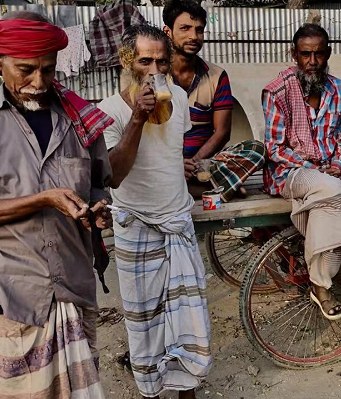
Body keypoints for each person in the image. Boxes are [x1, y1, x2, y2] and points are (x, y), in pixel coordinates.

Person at [0, 11, 113, 399]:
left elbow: (97, 186)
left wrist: (97, 212)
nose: (39, 82)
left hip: (73, 285)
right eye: (26, 70)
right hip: (12, 293)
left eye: (48, 70)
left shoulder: (79, 119)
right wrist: (42, 200)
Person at [98, 24, 212, 399]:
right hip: (136, 227)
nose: (154, 70)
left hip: (177, 223)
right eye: (145, 61)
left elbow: (171, 152)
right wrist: (137, 118)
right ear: (126, 61)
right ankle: (152, 388)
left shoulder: (177, 97)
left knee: (187, 320)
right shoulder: (109, 112)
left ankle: (187, 389)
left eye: (161, 62)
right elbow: (114, 174)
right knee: (145, 326)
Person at [262, 23, 341, 320]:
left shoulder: (337, 89)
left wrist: (338, 166)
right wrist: (319, 170)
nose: (313, 61)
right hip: (290, 174)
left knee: (329, 201)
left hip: (329, 179)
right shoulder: (277, 91)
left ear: (328, 53)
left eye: (319, 54)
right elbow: (275, 148)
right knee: (333, 190)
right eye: (306, 54)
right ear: (294, 54)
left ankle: (320, 287)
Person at [162, 0, 265, 202]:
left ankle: (193, 186)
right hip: (163, 162)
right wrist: (175, 164)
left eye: (199, 30)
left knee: (257, 149)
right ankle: (214, 188)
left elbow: (222, 132)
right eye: (185, 28)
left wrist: (194, 163)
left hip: (203, 163)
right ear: (168, 32)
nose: (193, 36)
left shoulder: (217, 76)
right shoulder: (155, 76)